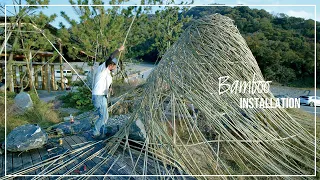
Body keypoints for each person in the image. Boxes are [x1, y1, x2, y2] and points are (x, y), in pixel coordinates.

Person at [92, 45, 125, 138]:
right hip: (98, 95)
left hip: (103, 95)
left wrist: (110, 88)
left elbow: (107, 83)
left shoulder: (108, 73)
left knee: (105, 116)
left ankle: (103, 131)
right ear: (111, 65)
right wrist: (119, 49)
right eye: (115, 65)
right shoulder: (102, 69)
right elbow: (111, 57)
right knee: (102, 116)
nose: (115, 67)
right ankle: (95, 133)